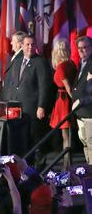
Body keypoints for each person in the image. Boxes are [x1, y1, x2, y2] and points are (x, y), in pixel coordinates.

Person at [7, 35, 51, 164]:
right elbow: (13, 85)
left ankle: (39, 169)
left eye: (32, 44)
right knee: (22, 141)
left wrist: (42, 106)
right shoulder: (17, 60)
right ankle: (24, 167)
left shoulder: (40, 62)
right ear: (22, 46)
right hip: (17, 109)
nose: (30, 47)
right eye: (27, 44)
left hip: (33, 109)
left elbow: (44, 86)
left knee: (36, 141)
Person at [49, 38, 76, 168]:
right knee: (67, 135)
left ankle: (67, 166)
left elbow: (69, 88)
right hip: (66, 100)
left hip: (64, 101)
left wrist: (74, 101)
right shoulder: (71, 63)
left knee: (66, 136)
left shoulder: (61, 67)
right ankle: (67, 165)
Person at [72, 36, 92, 163]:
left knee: (91, 143)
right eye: (79, 48)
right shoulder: (81, 64)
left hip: (90, 113)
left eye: (85, 48)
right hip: (80, 113)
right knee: (85, 143)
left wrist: (80, 101)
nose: (82, 51)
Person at [0, 31, 26, 101]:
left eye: (13, 41)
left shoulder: (22, 57)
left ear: (20, 43)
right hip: (9, 95)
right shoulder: (16, 56)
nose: (11, 43)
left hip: (13, 97)